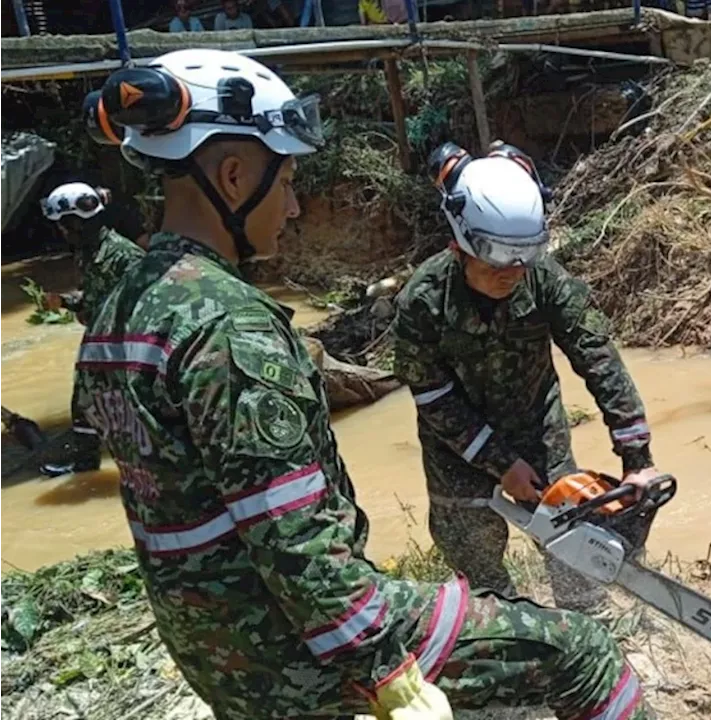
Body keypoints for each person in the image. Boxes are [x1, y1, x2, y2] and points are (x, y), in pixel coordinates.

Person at [75, 48, 650, 720]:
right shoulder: (236, 328)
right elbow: (293, 538)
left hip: (211, 639)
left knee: (566, 580)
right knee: (580, 654)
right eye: (286, 181)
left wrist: (636, 456)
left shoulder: (121, 305)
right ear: (233, 176)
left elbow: (596, 352)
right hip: (288, 641)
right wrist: (389, 673)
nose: (291, 207)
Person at [391, 140, 662, 618]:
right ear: (460, 242)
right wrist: (500, 464)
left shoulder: (545, 280)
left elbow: (596, 354)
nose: (512, 272)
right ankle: (509, 641)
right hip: (458, 450)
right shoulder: (422, 302)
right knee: (479, 574)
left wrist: (636, 458)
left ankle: (587, 626)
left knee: (573, 550)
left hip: (538, 432)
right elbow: (433, 397)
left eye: (524, 256)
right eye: (498, 259)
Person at [38, 181, 145, 477]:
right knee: (84, 407)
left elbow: (146, 305)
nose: (61, 231)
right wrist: (64, 302)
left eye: (64, 224)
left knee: (132, 414)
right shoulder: (88, 252)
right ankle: (86, 469)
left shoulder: (125, 256)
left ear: (76, 222)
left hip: (124, 349)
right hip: (100, 346)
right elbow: (94, 298)